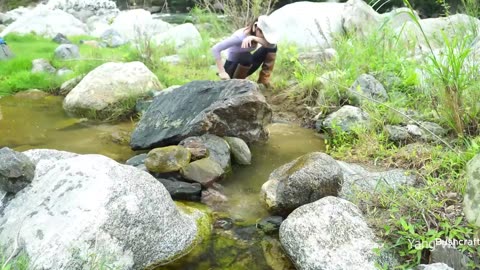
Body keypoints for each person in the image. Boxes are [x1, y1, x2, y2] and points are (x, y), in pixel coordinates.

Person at [211, 15, 278, 88]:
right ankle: (237, 85)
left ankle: (263, 81)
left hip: (244, 67)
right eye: (263, 34)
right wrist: (222, 72)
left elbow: (271, 46)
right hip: (232, 68)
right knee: (246, 56)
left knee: (272, 47)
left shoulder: (254, 36)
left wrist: (254, 38)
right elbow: (216, 49)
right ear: (255, 27)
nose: (263, 37)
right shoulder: (239, 37)